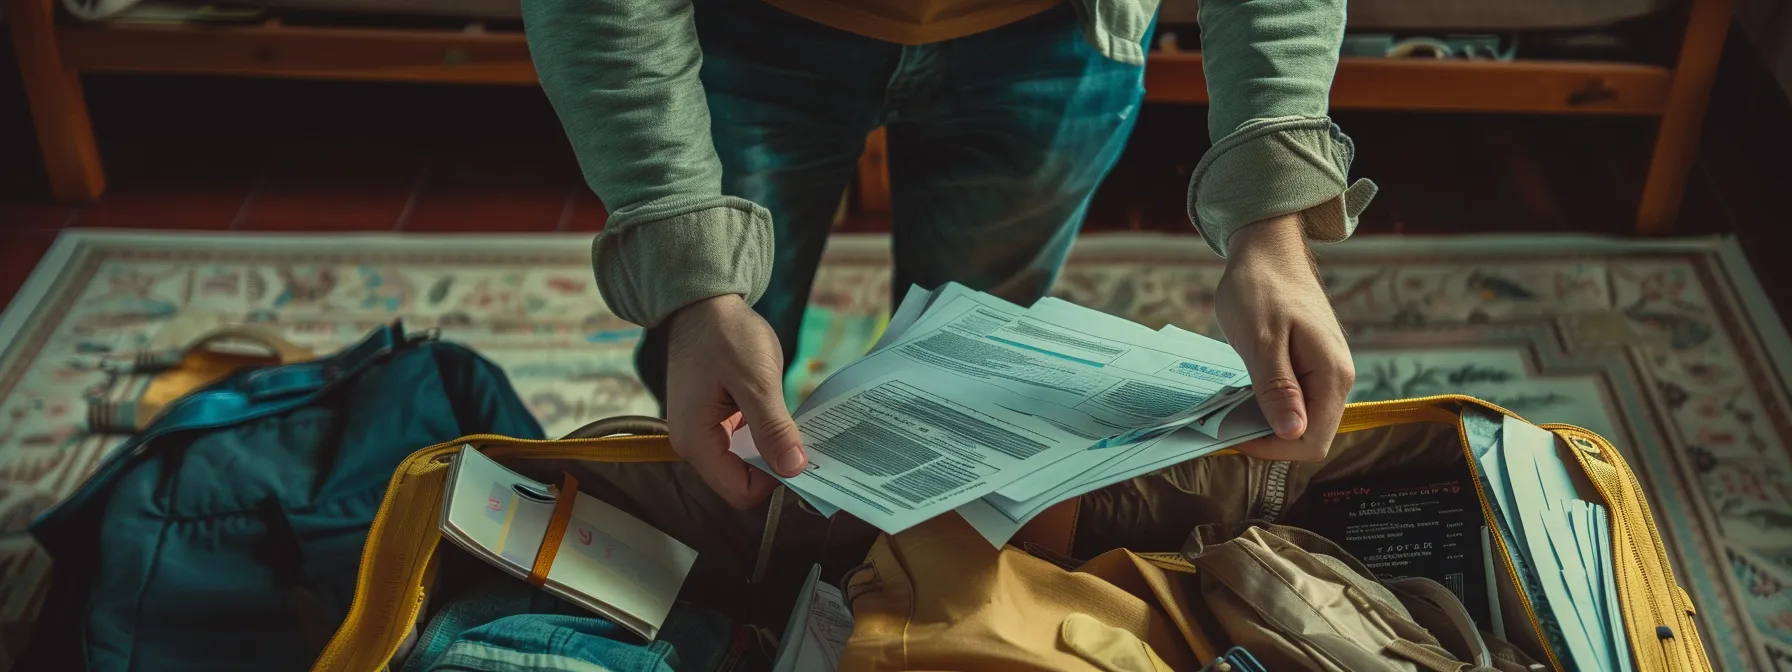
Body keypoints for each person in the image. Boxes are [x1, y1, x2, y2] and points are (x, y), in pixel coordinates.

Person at [522, 0, 1376, 511]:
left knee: (977, 365)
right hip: (741, 32)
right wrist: (691, 287)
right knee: (713, 380)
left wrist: (1273, 224)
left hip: (1056, 37)